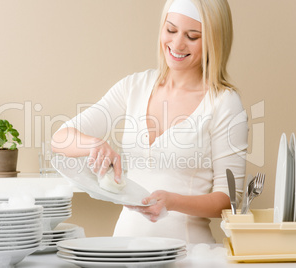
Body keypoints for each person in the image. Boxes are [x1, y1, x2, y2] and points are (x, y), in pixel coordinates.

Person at [52, 0, 248, 244]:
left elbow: (228, 200)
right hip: (123, 248)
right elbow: (60, 139)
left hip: (188, 254)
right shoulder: (134, 87)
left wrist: (173, 201)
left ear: (214, 41)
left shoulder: (224, 103)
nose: (177, 44)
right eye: (171, 30)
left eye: (192, 36)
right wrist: (93, 145)